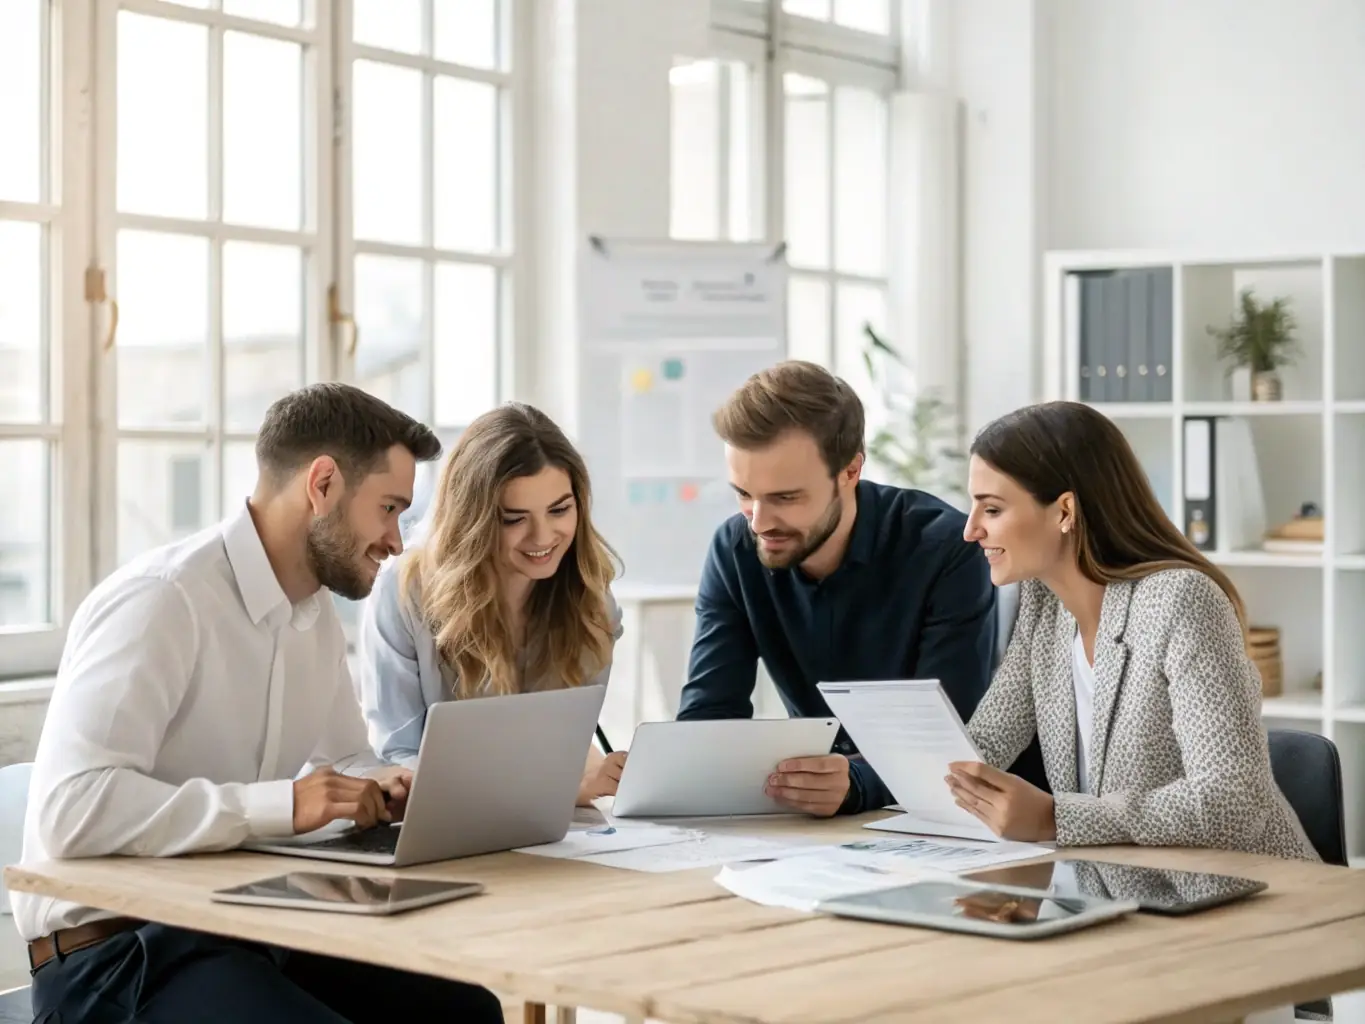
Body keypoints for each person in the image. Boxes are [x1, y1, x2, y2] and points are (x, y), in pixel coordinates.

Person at [14, 383, 507, 1024]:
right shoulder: (164, 601)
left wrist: (391, 784)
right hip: (113, 958)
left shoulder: (313, 616)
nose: (395, 539)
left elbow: (347, 760)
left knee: (465, 1012)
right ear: (322, 484)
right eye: (388, 509)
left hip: (246, 927)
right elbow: (68, 812)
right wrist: (282, 803)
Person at [947, 400, 1318, 861]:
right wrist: (863, 773)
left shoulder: (1180, 600)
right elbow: (983, 747)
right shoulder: (1044, 606)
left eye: (993, 509)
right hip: (1126, 886)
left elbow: (1234, 801)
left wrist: (1055, 818)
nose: (970, 530)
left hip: (1252, 890)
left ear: (1064, 510)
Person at [676, 360, 1046, 817]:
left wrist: (856, 782)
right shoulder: (734, 549)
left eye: (786, 498)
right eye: (744, 494)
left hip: (961, 814)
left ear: (850, 471)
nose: (759, 521)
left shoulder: (946, 548)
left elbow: (950, 734)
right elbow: (708, 719)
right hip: (819, 820)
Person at [358, 402, 625, 805]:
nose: (543, 537)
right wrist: (557, 789)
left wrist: (589, 778)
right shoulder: (404, 592)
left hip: (552, 830)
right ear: (474, 520)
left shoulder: (591, 599)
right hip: (441, 821)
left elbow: (566, 751)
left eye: (560, 510)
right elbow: (398, 759)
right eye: (514, 518)